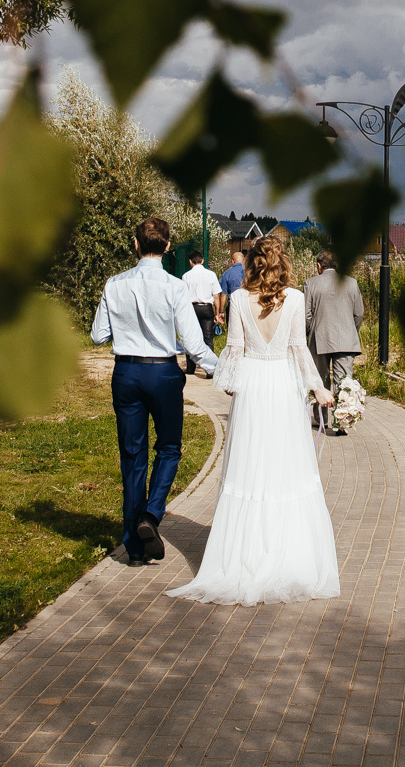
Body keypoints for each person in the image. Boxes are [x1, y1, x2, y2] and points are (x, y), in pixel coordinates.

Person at [168, 236, 338, 605]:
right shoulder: (295, 299)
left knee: (248, 468)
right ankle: (287, 556)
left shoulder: (240, 299)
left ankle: (244, 557)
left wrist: (230, 383)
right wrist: (318, 388)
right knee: (285, 469)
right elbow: (298, 349)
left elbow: (234, 350)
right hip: (283, 386)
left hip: (252, 387)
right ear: (283, 263)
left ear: (251, 264)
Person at [91, 216, 217, 566]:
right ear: (167, 247)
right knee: (169, 448)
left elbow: (98, 335)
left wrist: (124, 326)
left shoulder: (114, 283)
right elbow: (194, 344)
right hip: (162, 372)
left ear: (135, 245)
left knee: (132, 456)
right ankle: (151, 514)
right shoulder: (175, 286)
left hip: (126, 371)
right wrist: (223, 370)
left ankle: (133, 548)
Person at [304, 252, 365, 434]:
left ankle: (320, 419)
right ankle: (342, 421)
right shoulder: (351, 282)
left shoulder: (311, 283)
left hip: (319, 338)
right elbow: (359, 313)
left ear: (319, 265)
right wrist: (351, 330)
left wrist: (308, 333)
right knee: (344, 382)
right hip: (346, 338)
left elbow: (306, 314)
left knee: (320, 379)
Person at [180, 249, 223, 377]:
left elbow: (183, 296)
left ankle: (190, 367)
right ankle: (210, 369)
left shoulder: (186, 276)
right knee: (208, 337)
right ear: (202, 260)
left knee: (190, 337)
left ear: (190, 262)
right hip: (207, 308)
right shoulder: (211, 275)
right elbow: (216, 296)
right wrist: (217, 313)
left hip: (192, 308)